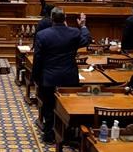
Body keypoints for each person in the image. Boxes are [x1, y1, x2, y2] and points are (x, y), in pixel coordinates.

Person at [33, 8, 91, 143]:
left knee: (48, 106)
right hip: (68, 76)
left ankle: (49, 134)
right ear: (65, 18)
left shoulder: (42, 35)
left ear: (52, 18)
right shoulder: (74, 33)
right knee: (68, 106)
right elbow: (87, 40)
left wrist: (36, 77)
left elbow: (38, 58)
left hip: (49, 77)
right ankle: (67, 134)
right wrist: (83, 26)